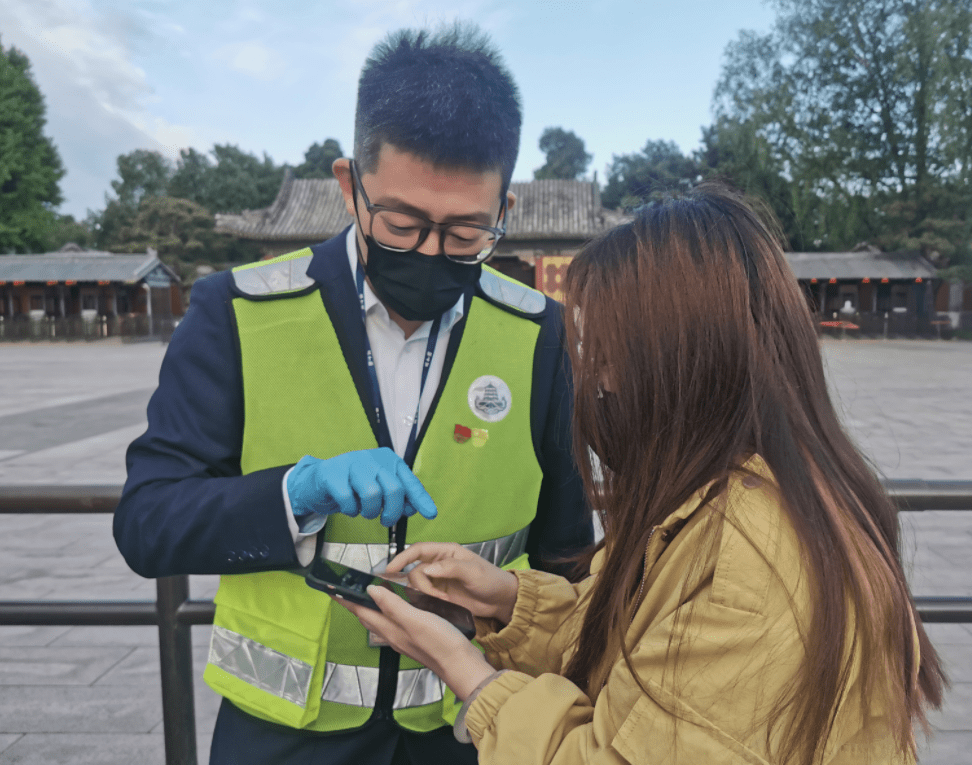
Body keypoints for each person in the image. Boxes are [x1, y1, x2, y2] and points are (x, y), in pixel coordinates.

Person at [113, 23, 591, 765]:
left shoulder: (539, 333)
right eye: (401, 222)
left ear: (506, 211)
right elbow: (148, 523)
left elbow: (566, 554)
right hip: (283, 738)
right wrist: (296, 494)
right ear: (349, 185)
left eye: (466, 232)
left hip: (469, 732)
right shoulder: (237, 313)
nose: (432, 252)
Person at [342, 183, 948, 765]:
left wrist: (466, 672)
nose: (595, 379)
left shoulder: (749, 566)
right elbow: (645, 647)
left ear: (681, 360)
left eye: (606, 351)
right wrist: (503, 601)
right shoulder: (733, 494)